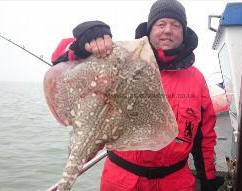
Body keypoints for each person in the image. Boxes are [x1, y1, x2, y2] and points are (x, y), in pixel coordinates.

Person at [51, 0, 224, 190]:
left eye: (175, 25)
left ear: (184, 33)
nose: (168, 30)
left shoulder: (196, 80)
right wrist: (84, 43)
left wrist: (207, 178)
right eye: (161, 24)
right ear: (149, 30)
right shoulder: (121, 60)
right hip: (122, 180)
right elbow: (60, 64)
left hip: (175, 182)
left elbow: (204, 135)